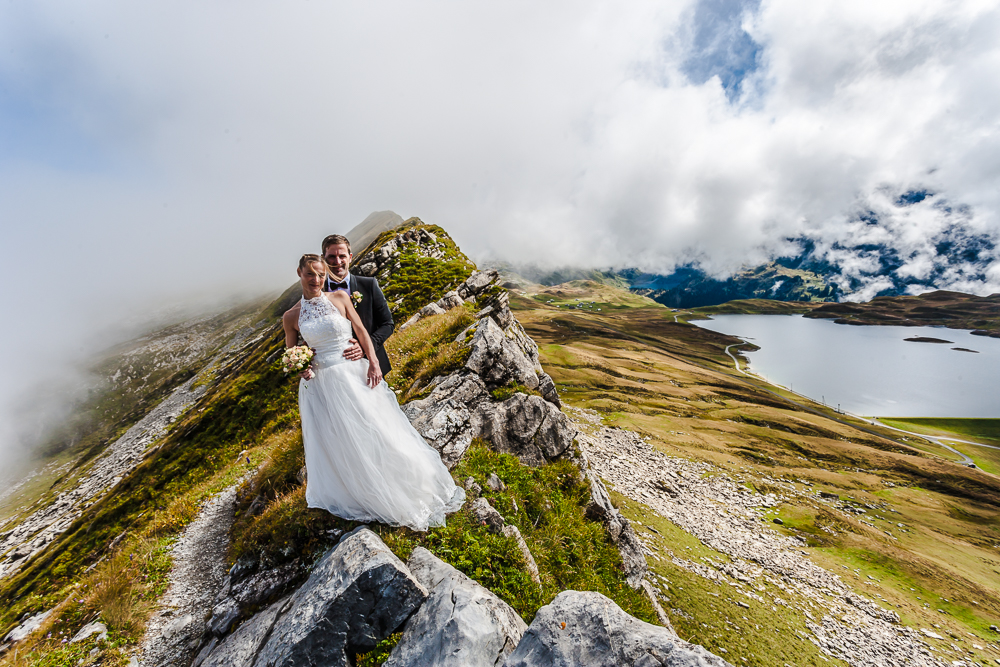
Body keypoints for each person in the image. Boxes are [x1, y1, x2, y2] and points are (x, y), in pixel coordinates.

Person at [282, 254, 465, 531]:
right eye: (311, 274)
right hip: (320, 385)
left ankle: (403, 480)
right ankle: (356, 489)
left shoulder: (340, 298)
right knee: (339, 438)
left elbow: (362, 331)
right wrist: (302, 369)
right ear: (299, 273)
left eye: (321, 274)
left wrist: (374, 362)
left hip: (352, 373)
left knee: (376, 427)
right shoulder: (292, 316)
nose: (317, 280)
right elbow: (292, 351)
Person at [321, 234, 395, 375]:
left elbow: (388, 324)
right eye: (331, 256)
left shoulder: (369, 285)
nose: (337, 261)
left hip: (370, 365)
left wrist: (365, 347)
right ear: (323, 259)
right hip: (335, 370)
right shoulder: (318, 292)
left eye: (342, 256)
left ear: (350, 257)